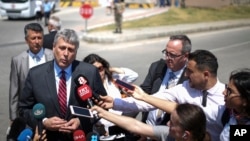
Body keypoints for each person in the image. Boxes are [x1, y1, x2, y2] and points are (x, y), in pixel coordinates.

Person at [98, 49, 225, 141]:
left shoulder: (226, 100)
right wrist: (115, 103)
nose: (185, 75)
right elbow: (150, 103)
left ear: (206, 75)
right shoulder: (183, 89)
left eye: (190, 71)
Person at [18, 29, 107, 141]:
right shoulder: (35, 75)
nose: (66, 54)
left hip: (81, 136)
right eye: (62, 48)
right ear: (54, 47)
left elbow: (103, 106)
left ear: (76, 52)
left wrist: (81, 120)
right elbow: (23, 109)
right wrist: (44, 122)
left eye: (71, 50)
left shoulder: (90, 72)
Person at [83, 53, 138, 140]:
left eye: (100, 68)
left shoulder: (114, 81)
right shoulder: (85, 88)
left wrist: (111, 69)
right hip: (102, 135)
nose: (98, 72)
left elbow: (133, 75)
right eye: (94, 70)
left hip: (121, 131)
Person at [140, 35, 191, 127]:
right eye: (166, 53)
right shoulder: (157, 67)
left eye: (172, 55)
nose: (167, 58)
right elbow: (143, 93)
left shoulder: (190, 77)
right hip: (145, 129)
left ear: (185, 56)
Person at [9, 23, 54, 124]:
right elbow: (14, 90)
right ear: (26, 40)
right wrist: (13, 117)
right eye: (33, 38)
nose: (37, 42)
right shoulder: (18, 60)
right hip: (28, 111)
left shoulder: (52, 56)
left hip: (51, 111)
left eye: (40, 38)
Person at [91, 103, 210, 141]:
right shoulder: (169, 134)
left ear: (186, 135)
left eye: (172, 123)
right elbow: (136, 125)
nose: (167, 124)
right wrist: (104, 113)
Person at [220, 68, 250, 141]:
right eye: (226, 88)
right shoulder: (228, 113)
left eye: (230, 91)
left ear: (245, 100)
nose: (224, 92)